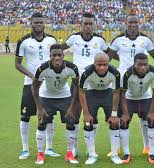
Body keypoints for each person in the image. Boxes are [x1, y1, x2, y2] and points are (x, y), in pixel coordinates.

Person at [61, 12, 114, 156]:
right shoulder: (74, 38)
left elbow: (111, 53)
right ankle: (73, 148)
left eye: (91, 24)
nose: (88, 26)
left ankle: (91, 150)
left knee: (91, 117)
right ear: (81, 25)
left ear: (94, 25)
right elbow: (59, 49)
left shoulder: (99, 40)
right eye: (85, 23)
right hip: (77, 81)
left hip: (93, 83)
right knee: (74, 115)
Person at [108, 13, 154, 158]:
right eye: (130, 22)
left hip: (142, 86)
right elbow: (109, 57)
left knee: (146, 119)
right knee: (122, 118)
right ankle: (117, 149)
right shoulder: (118, 40)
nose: (133, 25)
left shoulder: (146, 40)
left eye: (135, 22)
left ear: (139, 23)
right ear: (126, 23)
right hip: (125, 84)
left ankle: (147, 147)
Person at [15, 12, 58, 160]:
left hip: (48, 85)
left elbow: (56, 59)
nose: (39, 25)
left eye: (41, 22)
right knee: (25, 116)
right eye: (36, 22)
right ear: (31, 23)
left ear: (44, 23)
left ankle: (49, 148)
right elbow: (17, 64)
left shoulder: (52, 39)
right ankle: (25, 149)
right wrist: (32, 76)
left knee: (49, 116)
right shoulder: (23, 41)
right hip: (30, 84)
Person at [32, 44, 79, 165]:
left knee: (70, 123)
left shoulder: (72, 67)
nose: (57, 58)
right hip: (46, 97)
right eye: (54, 55)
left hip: (64, 97)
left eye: (59, 55)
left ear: (63, 56)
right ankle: (40, 155)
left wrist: (72, 107)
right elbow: (34, 87)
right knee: (42, 123)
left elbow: (77, 88)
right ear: (50, 56)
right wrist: (39, 107)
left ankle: (69, 154)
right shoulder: (42, 68)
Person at [78, 53, 122, 165]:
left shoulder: (115, 73)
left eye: (105, 64)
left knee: (114, 122)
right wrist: (86, 113)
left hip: (108, 94)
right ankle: (92, 154)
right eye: (99, 65)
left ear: (109, 64)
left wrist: (114, 114)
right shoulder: (86, 72)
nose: (102, 67)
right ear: (94, 64)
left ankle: (114, 154)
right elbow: (81, 92)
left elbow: (116, 93)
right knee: (88, 123)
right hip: (91, 93)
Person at [119, 53, 154, 164]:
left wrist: (152, 110)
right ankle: (127, 153)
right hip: (129, 99)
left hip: (146, 98)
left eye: (145, 64)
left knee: (152, 121)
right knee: (124, 122)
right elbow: (122, 93)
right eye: (139, 65)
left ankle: (151, 153)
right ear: (134, 64)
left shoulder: (153, 71)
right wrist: (125, 113)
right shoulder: (127, 73)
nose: (142, 67)